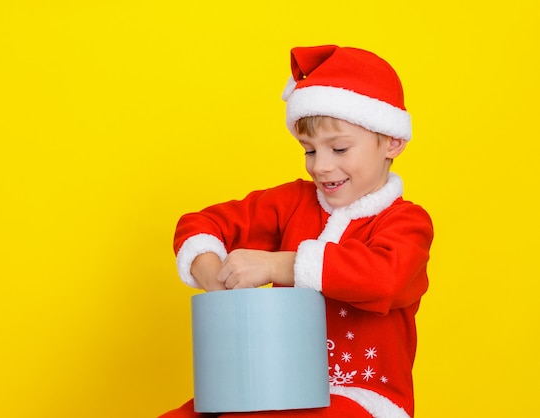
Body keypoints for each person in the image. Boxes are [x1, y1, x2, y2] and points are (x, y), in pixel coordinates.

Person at [160, 44, 433, 418]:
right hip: (273, 382)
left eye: (338, 149)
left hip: (362, 396)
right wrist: (213, 276)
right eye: (309, 151)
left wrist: (279, 267)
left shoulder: (406, 223)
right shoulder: (292, 202)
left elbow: (385, 279)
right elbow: (201, 224)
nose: (320, 167)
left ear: (392, 142)